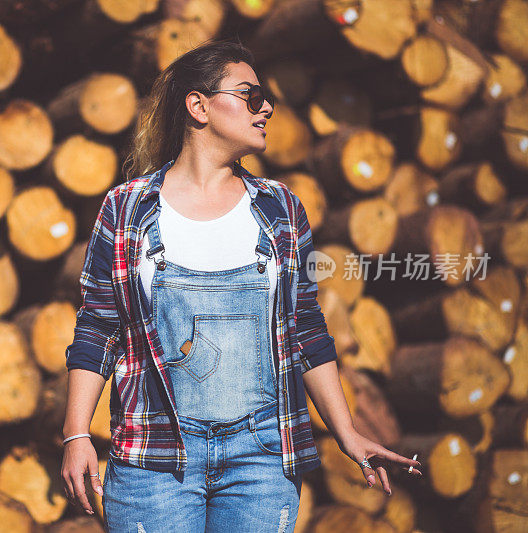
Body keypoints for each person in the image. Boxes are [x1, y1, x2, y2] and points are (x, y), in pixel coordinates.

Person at [61, 40, 422, 532]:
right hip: (153, 461)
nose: (267, 107)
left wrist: (347, 433)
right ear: (199, 105)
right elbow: (98, 328)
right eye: (251, 95)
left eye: (265, 97)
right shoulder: (127, 210)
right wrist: (75, 432)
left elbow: (306, 331)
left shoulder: (279, 209)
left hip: (262, 461)